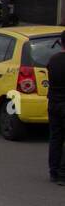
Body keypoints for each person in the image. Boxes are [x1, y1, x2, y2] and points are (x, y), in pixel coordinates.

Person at [48, 29, 65, 185]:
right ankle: (62, 173)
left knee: (55, 138)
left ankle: (53, 171)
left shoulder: (52, 60)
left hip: (53, 102)